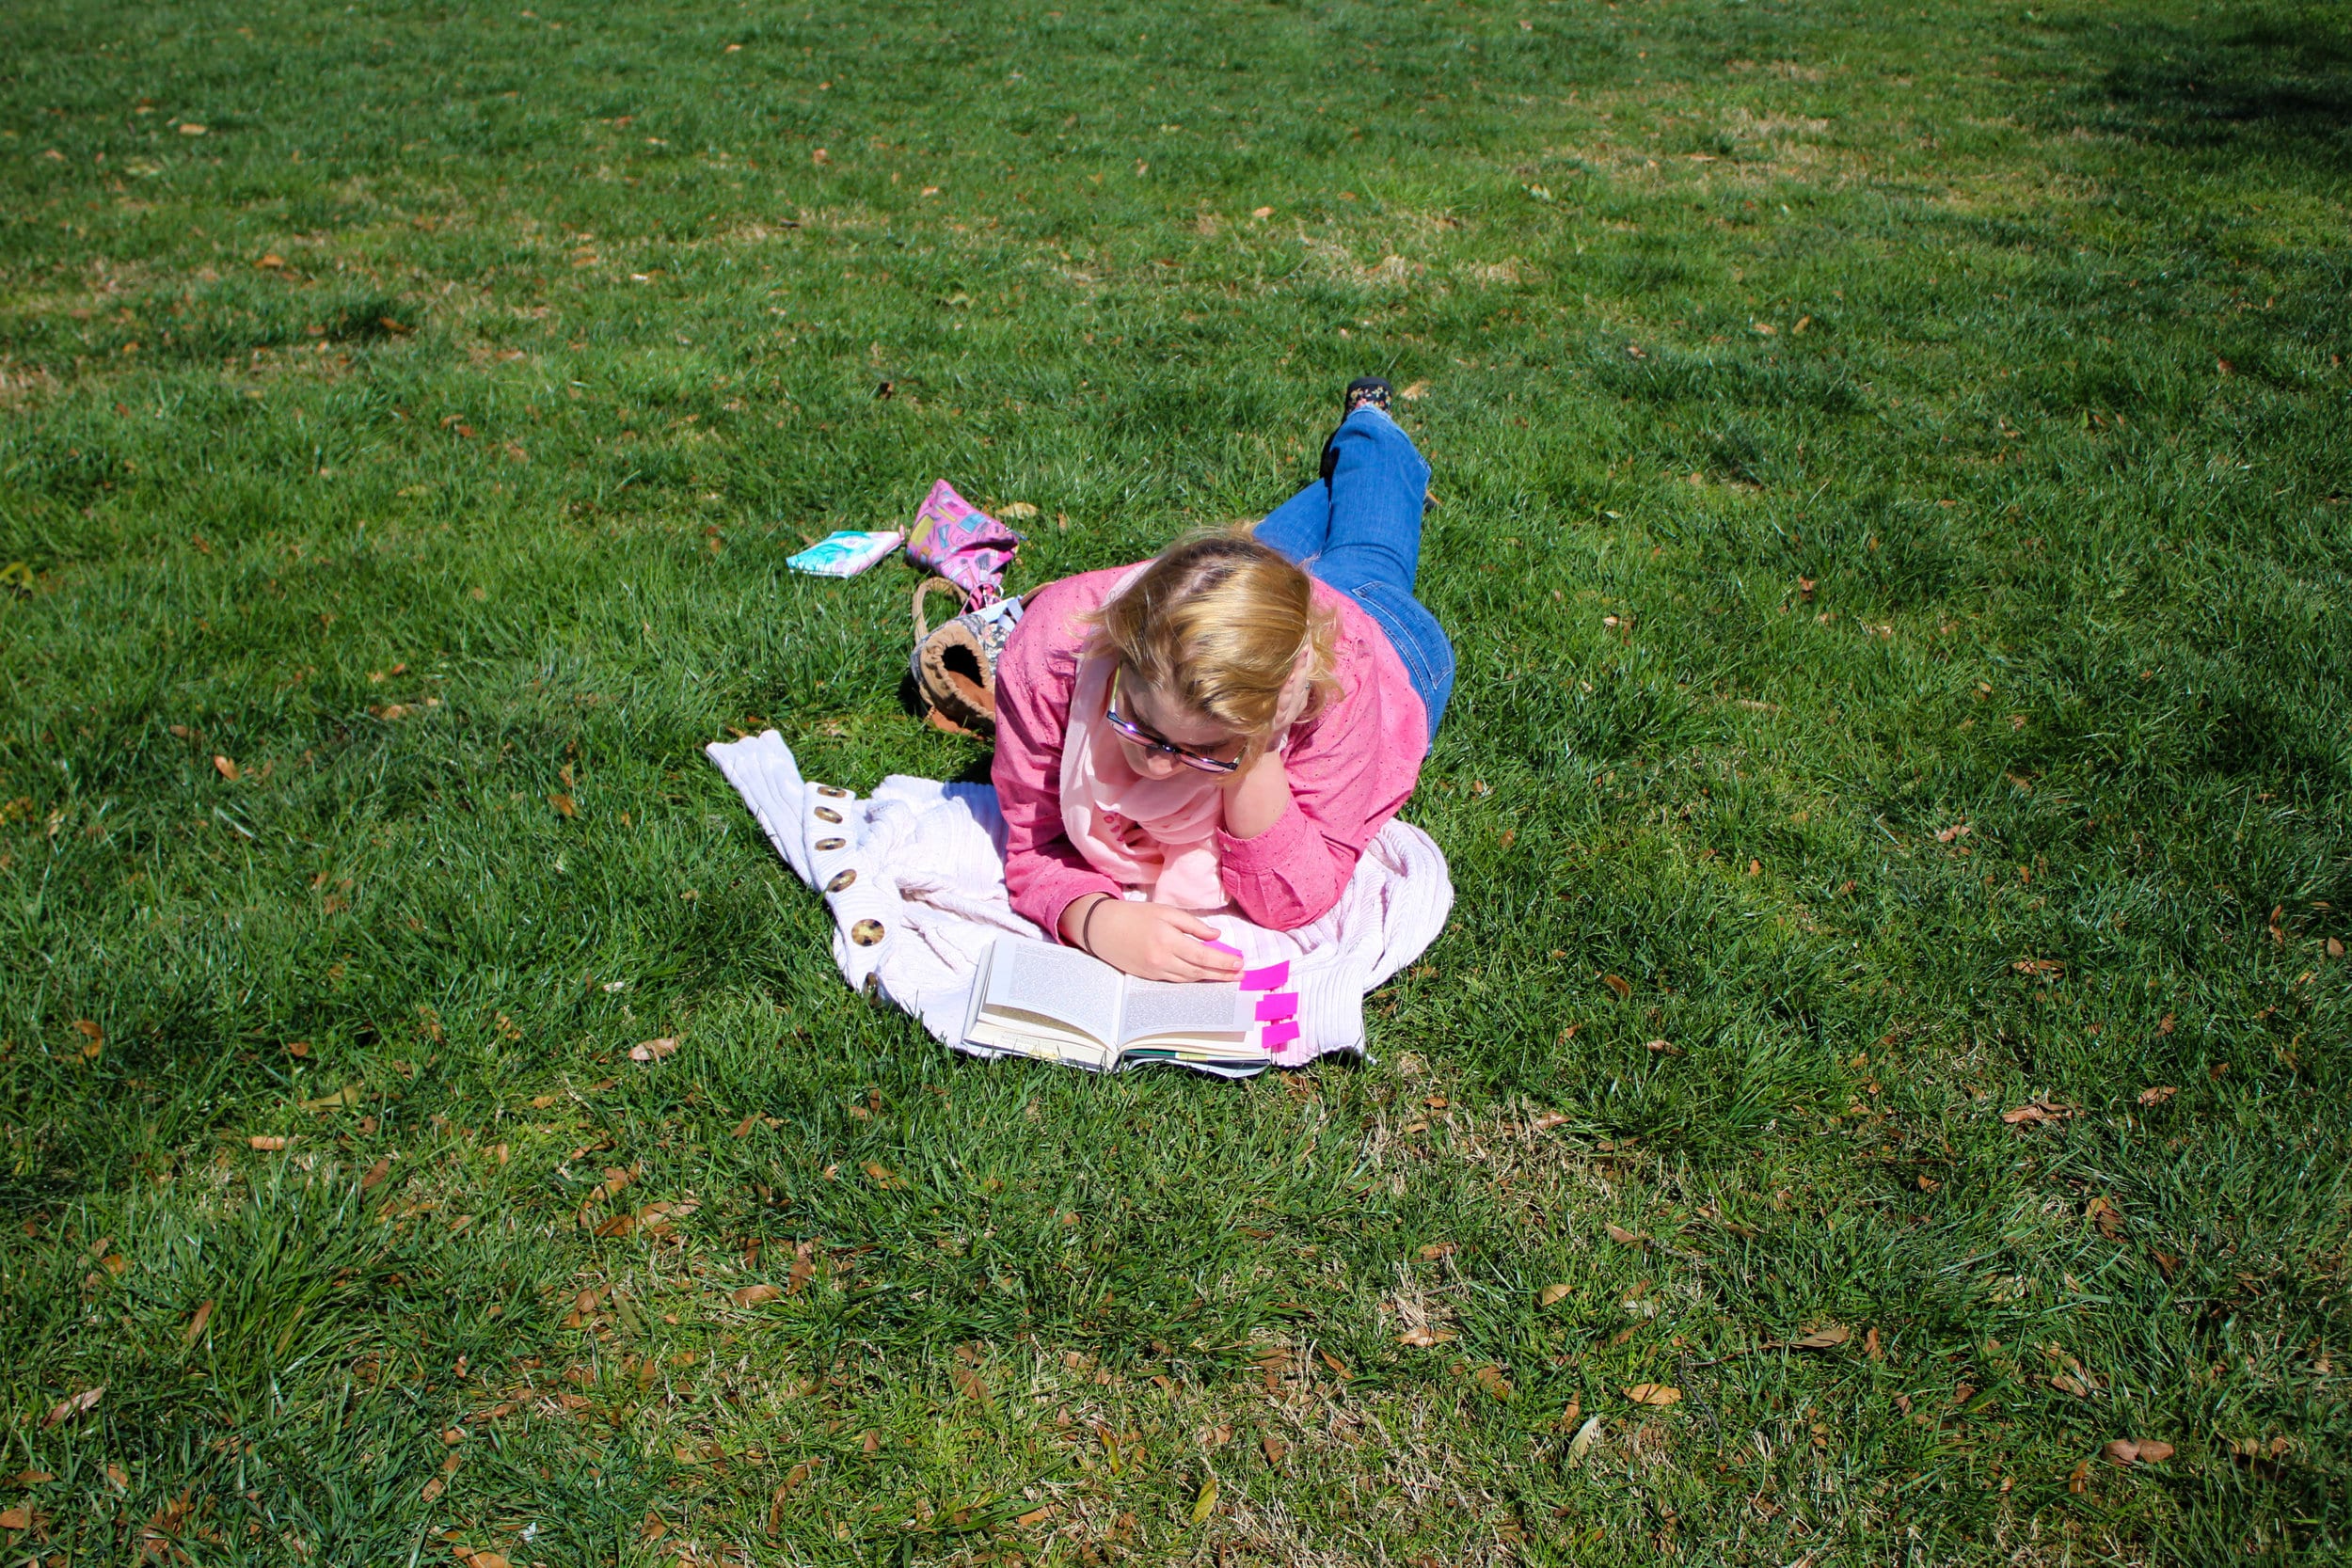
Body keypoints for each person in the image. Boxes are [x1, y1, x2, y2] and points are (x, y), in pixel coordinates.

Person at [992, 378, 1454, 981]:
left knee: (1371, 550)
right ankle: (1311, 511)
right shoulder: (1052, 648)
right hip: (1248, 611)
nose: (1157, 766)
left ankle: (1370, 426)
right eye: (1139, 721)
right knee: (1263, 553)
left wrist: (1259, 747)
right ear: (1121, 651)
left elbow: (1298, 896)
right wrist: (1095, 918)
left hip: (1387, 635)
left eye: (1206, 749)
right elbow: (1034, 841)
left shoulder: (1344, 681)